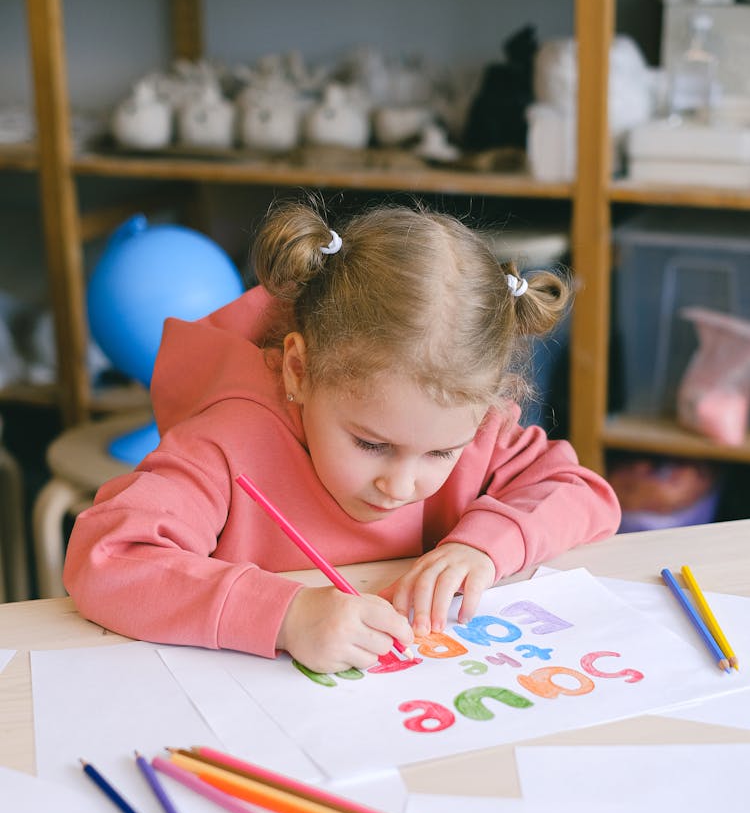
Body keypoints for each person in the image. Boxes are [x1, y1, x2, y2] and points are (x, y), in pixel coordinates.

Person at [64, 198, 621, 674]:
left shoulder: (471, 425)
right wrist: (285, 615)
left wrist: (483, 546)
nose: (401, 485)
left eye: (440, 453)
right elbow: (107, 557)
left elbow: (583, 492)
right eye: (371, 444)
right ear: (298, 371)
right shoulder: (227, 442)